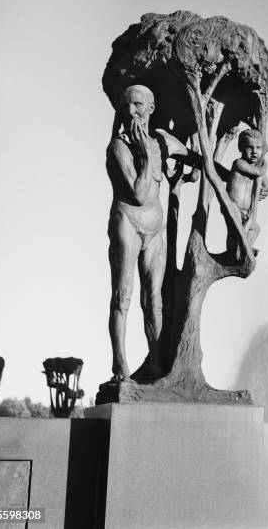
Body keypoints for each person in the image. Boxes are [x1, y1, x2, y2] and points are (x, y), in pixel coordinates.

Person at [106, 85, 166, 382]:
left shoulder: (161, 142)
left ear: (151, 108)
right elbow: (140, 194)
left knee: (154, 300)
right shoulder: (119, 147)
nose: (131, 111)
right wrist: (143, 153)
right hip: (127, 222)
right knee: (123, 296)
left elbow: (199, 162)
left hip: (156, 230)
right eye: (126, 105)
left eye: (138, 105)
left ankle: (156, 365)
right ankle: (120, 366)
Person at [226, 129, 268, 255]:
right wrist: (265, 163)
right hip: (233, 206)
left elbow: (264, 180)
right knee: (236, 230)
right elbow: (258, 173)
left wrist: (264, 189)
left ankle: (245, 248)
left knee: (255, 228)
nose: (255, 152)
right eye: (249, 147)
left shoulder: (255, 168)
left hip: (246, 210)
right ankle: (234, 251)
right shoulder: (239, 164)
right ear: (240, 148)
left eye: (259, 148)